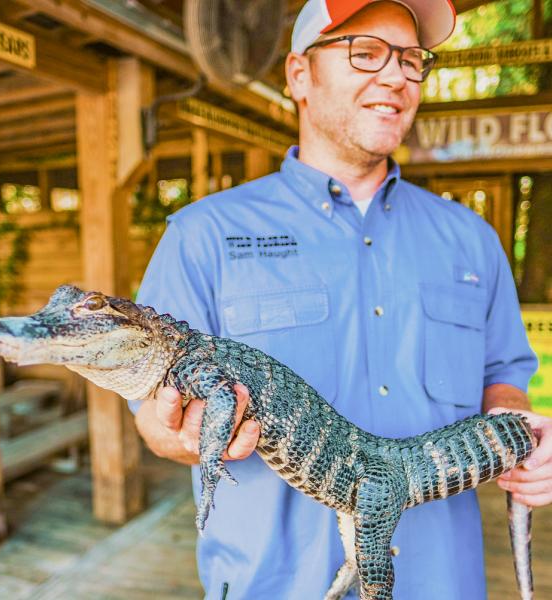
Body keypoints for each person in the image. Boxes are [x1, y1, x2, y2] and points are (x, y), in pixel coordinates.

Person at [131, 1, 552, 598]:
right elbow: (154, 418)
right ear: (299, 74)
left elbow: (503, 380)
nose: (396, 76)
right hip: (270, 583)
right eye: (366, 52)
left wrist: (525, 435)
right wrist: (185, 433)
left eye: (411, 59)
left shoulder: (473, 241)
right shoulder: (201, 236)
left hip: (441, 581)